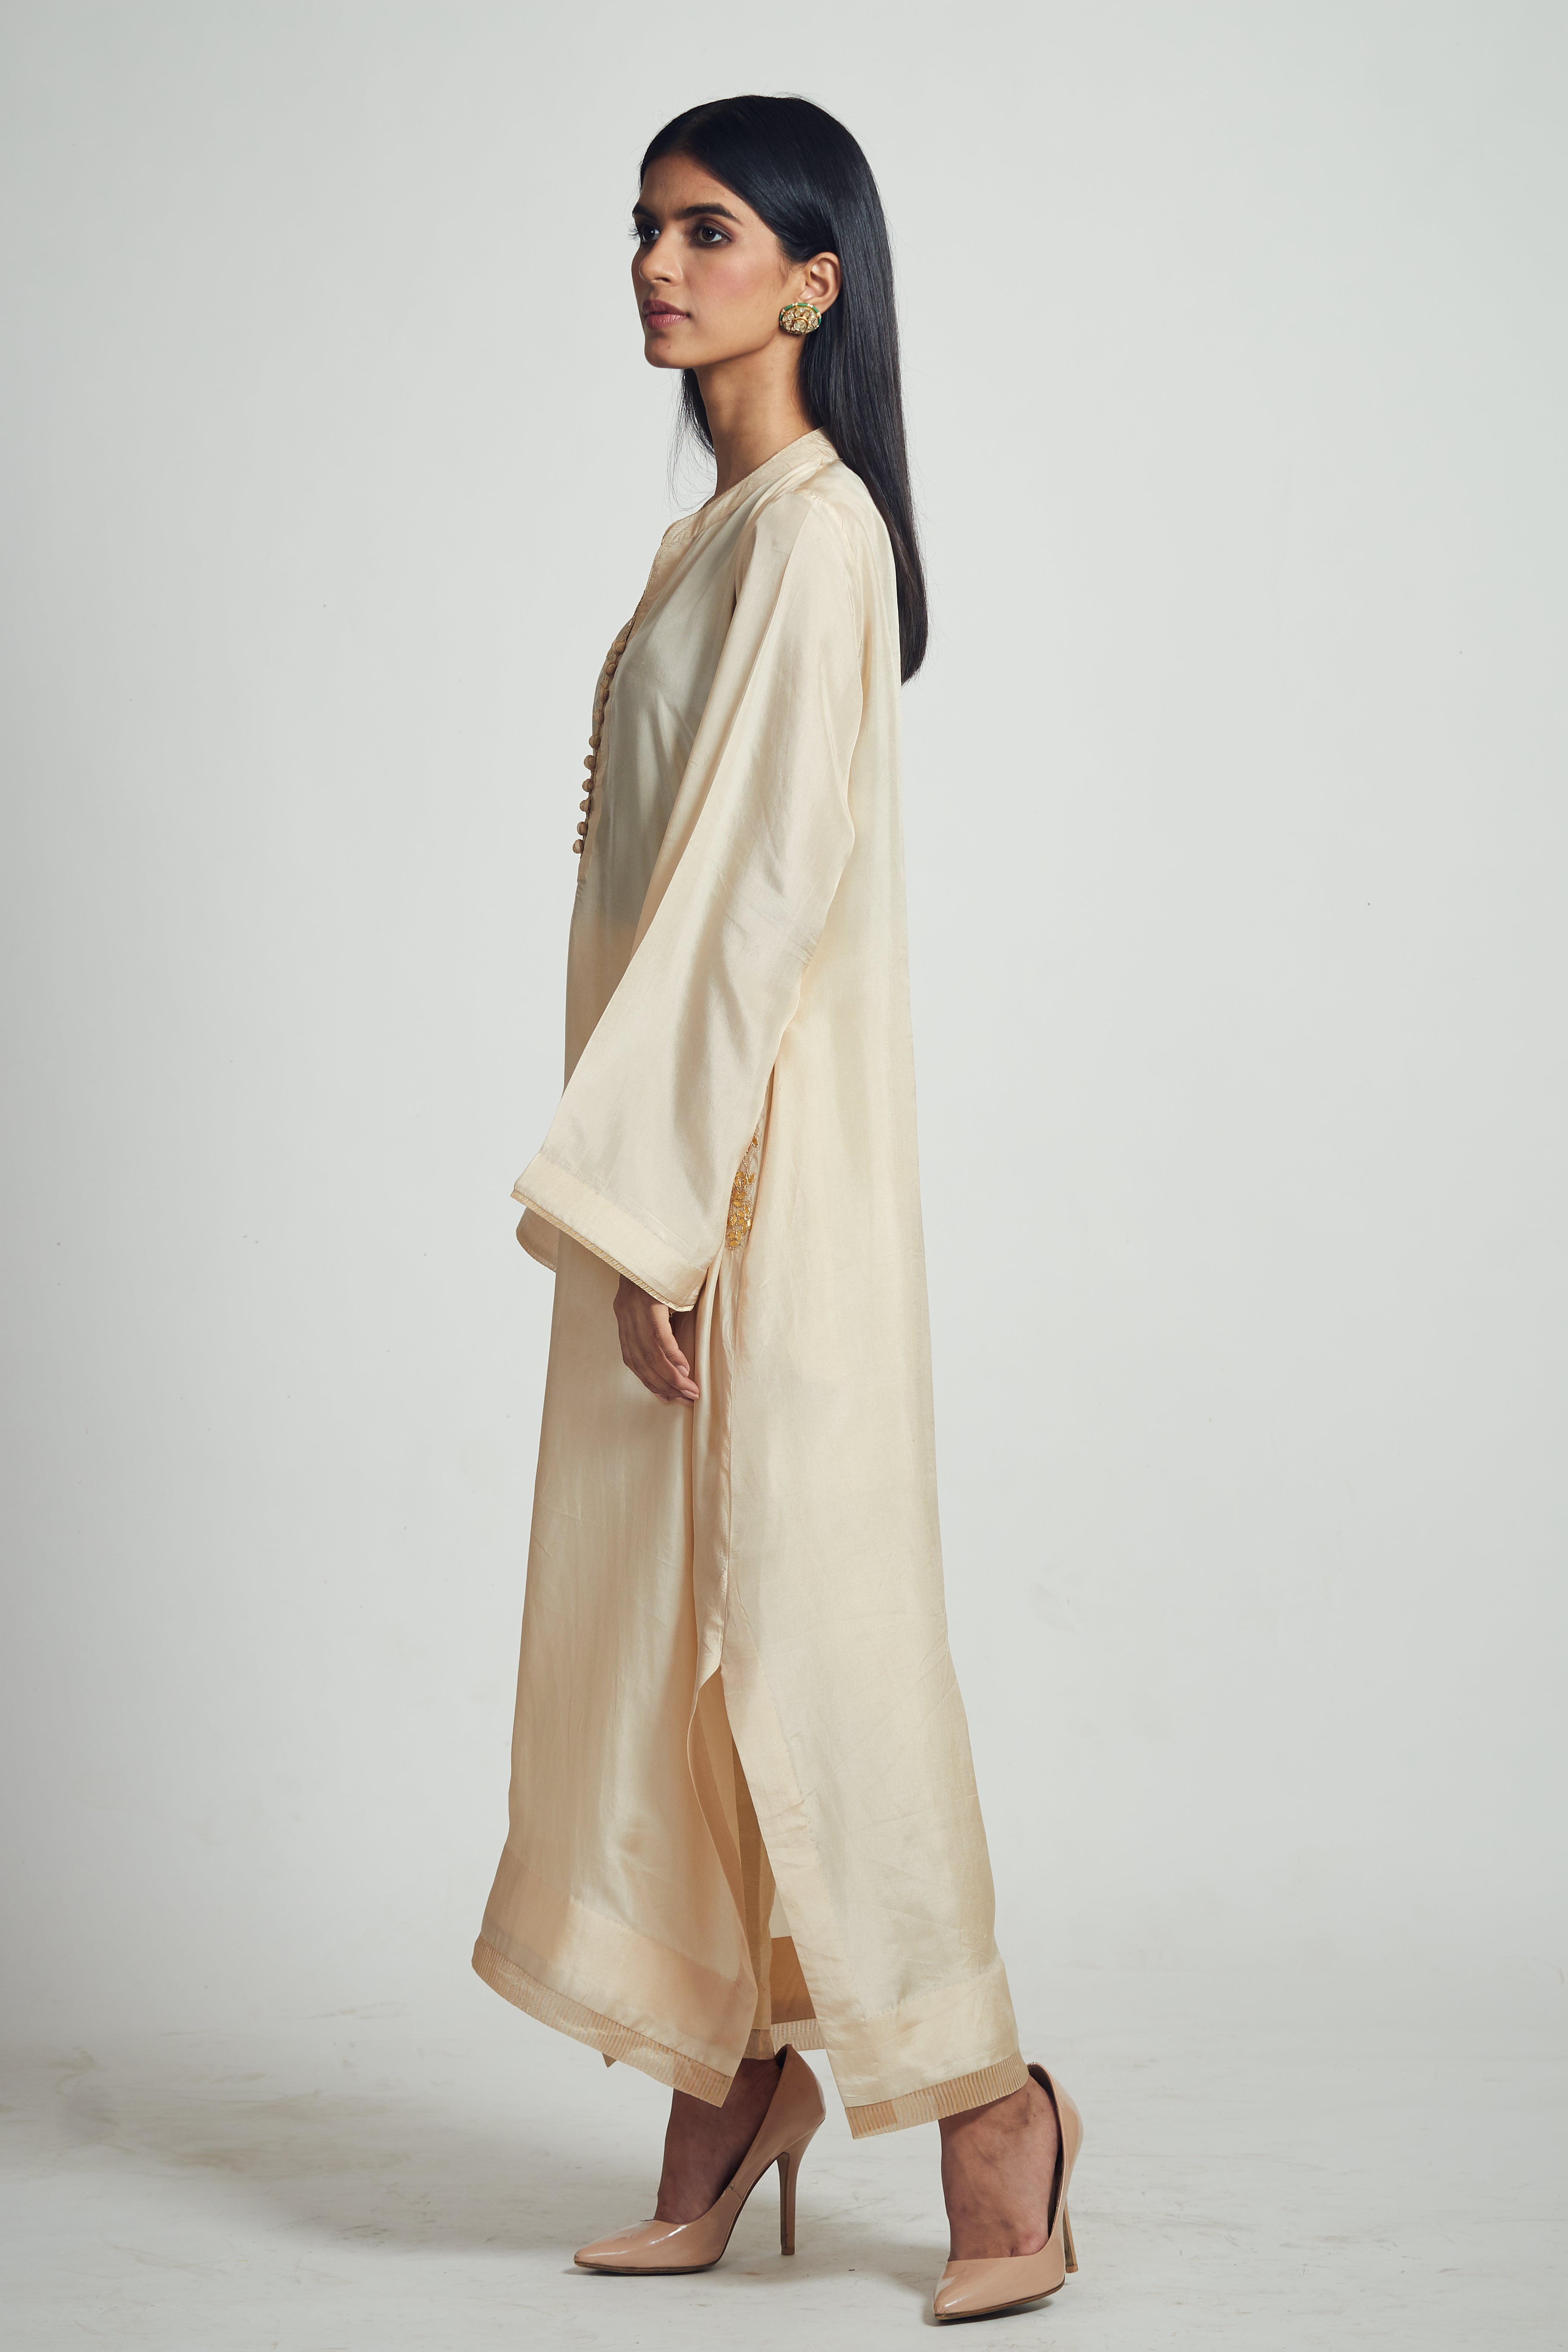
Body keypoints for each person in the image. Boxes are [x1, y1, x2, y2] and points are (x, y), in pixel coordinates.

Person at [474, 93, 1082, 2323]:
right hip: (677, 1173)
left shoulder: (818, 538)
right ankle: (732, 2082)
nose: (657, 263)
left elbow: (750, 907)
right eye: (644, 226)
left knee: (814, 1631)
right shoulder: (719, 534)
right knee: (676, 1642)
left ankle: (995, 2109)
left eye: (708, 229)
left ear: (816, 279)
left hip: (756, 1191)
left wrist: (662, 1213)